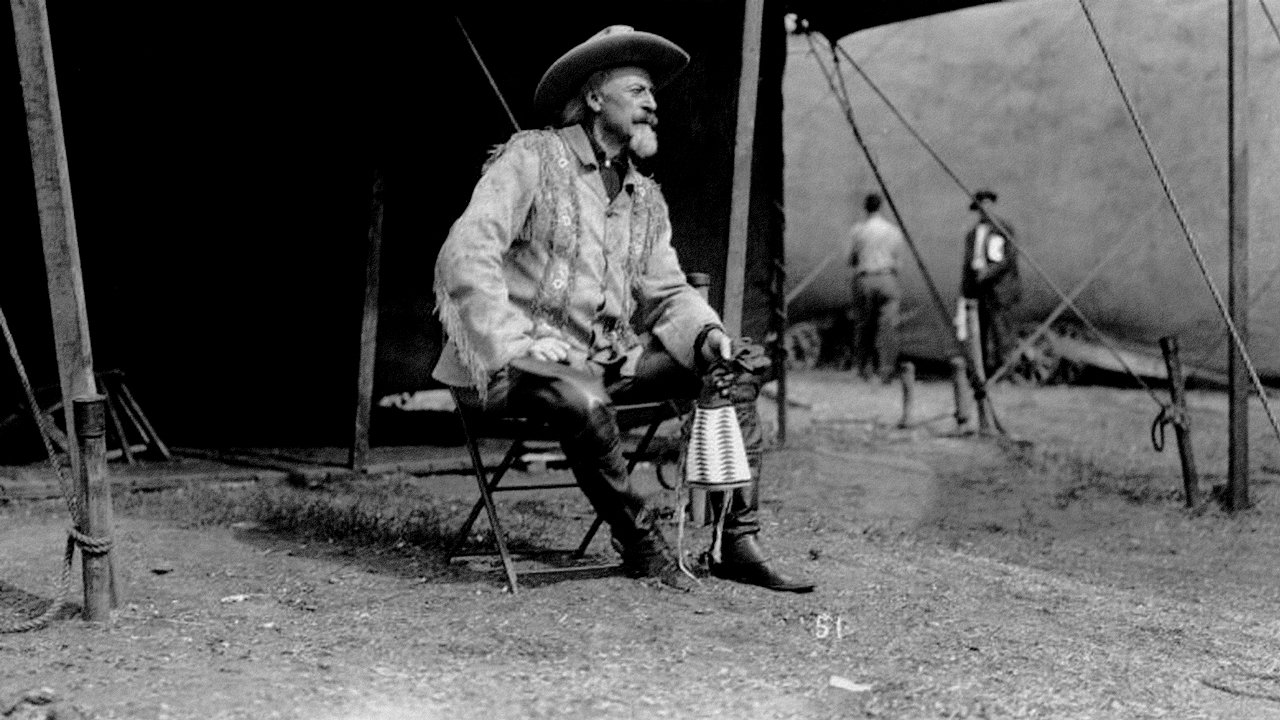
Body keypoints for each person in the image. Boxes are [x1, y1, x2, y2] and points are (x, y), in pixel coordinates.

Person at [431, 26, 813, 593]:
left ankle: (736, 539)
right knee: (580, 395)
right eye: (638, 90)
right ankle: (641, 542)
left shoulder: (643, 196)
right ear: (593, 98)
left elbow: (668, 293)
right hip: (514, 367)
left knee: (730, 370)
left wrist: (709, 337)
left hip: (603, 364)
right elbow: (465, 253)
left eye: (653, 94)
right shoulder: (533, 157)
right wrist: (516, 340)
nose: (653, 104)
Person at [960, 189, 1022, 378]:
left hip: (999, 289)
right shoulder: (972, 234)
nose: (985, 209)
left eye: (988, 204)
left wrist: (988, 273)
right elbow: (968, 263)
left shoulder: (1002, 229)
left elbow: (1007, 259)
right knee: (979, 332)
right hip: (978, 290)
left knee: (1002, 332)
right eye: (981, 206)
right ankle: (982, 373)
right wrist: (966, 288)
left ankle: (1005, 374)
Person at [846, 192, 906, 381]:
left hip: (865, 278)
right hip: (887, 278)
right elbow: (898, 261)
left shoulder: (858, 230)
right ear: (881, 207)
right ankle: (886, 370)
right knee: (888, 327)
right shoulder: (893, 231)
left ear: (865, 208)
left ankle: (864, 369)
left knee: (864, 326)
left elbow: (851, 259)